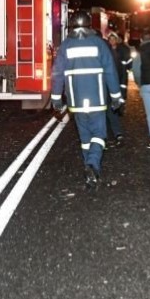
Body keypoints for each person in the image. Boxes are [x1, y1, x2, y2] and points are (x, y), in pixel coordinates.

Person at [50, 10, 124, 191]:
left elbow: (57, 74)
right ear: (90, 24)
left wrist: (56, 99)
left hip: (76, 102)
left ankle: (90, 172)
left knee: (85, 137)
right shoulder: (99, 43)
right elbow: (110, 72)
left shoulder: (66, 46)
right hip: (97, 99)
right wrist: (116, 97)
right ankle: (92, 165)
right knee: (99, 135)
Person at [105, 31, 133, 145]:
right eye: (110, 39)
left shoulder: (122, 51)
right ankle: (111, 135)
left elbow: (125, 69)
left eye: (113, 39)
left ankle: (115, 133)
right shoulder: (106, 52)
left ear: (116, 40)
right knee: (108, 110)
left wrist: (122, 90)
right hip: (107, 85)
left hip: (116, 84)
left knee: (113, 109)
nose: (112, 41)